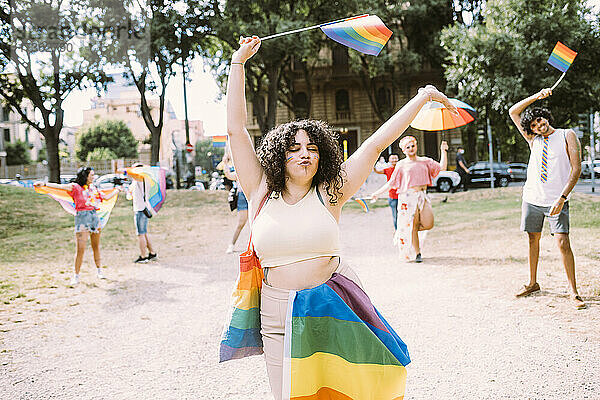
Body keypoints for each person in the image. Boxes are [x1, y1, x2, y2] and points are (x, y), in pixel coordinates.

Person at [227, 36, 456, 399]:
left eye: (313, 148)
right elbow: (237, 130)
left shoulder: (332, 191)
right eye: (295, 148)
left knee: (342, 393)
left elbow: (375, 143)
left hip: (333, 308)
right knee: (289, 395)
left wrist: (422, 98)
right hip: (277, 314)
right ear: (276, 155)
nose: (305, 154)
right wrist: (238, 62)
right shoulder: (259, 188)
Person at [509, 88, 585, 309]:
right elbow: (514, 112)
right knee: (532, 239)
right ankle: (533, 283)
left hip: (556, 200)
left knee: (562, 242)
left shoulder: (566, 134)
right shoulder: (533, 140)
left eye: (539, 120)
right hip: (532, 198)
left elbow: (576, 169)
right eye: (532, 125)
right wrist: (535, 96)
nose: (537, 125)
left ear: (545, 117)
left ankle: (574, 291)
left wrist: (562, 197)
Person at [34, 167, 119, 285]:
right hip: (82, 218)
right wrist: (44, 184)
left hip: (94, 217)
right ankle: (76, 275)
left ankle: (99, 271)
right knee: (80, 249)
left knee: (96, 246)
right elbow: (60, 187)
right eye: (91, 175)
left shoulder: (93, 188)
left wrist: (117, 190)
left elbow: (105, 197)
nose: (93, 177)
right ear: (85, 176)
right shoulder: (75, 187)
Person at [371, 137, 448, 263]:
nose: (411, 149)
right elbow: (391, 183)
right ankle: (418, 253)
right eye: (408, 147)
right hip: (408, 197)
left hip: (422, 195)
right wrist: (377, 193)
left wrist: (443, 150)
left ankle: (407, 231)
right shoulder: (401, 164)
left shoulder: (425, 161)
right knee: (413, 225)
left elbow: (442, 167)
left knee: (428, 223)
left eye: (412, 146)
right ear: (403, 150)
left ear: (416, 146)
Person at [126, 163, 157, 263]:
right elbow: (130, 194)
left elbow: (131, 173)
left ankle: (143, 256)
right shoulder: (142, 180)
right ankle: (152, 253)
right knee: (144, 233)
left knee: (141, 234)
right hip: (143, 209)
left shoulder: (140, 179)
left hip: (140, 210)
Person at [220, 149, 249, 254]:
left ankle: (256, 246)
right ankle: (231, 244)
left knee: (255, 222)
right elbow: (228, 174)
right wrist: (225, 163)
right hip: (242, 196)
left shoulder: (251, 169)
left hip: (252, 195)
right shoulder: (239, 171)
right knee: (241, 222)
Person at [373, 153, 400, 229]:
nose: (394, 160)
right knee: (395, 216)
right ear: (389, 160)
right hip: (392, 197)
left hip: (402, 196)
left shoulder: (401, 169)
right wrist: (373, 164)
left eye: (396, 158)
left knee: (403, 215)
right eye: (392, 158)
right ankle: (397, 231)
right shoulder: (387, 170)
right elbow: (377, 171)